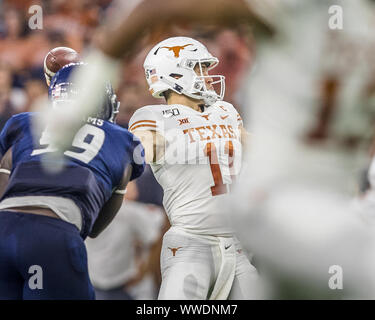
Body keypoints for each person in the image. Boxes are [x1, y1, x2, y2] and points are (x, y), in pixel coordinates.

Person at [0, 62, 145, 300]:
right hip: (54, 235)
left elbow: (5, 174)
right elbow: (96, 228)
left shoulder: (25, 122)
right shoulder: (123, 140)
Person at [128, 36, 258, 300]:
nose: (209, 76)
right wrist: (162, 146)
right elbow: (142, 149)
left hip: (238, 247)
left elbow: (258, 149)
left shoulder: (225, 110)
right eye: (199, 68)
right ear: (173, 73)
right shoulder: (152, 116)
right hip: (192, 244)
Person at [85, 181, 167, 300]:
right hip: (95, 286)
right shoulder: (85, 212)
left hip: (124, 287)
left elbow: (156, 237)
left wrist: (144, 271)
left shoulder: (128, 212)